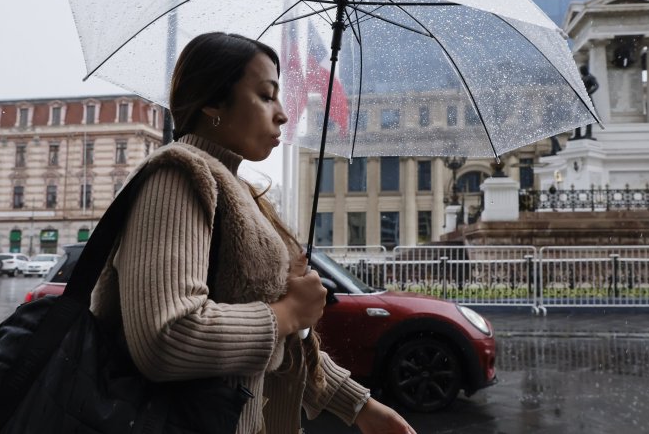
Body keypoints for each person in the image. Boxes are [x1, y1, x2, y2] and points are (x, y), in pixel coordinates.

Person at [90, 32, 415, 434]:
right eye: (266, 95)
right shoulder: (177, 176)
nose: (282, 114)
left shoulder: (237, 191)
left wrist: (359, 406)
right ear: (212, 102)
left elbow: (282, 344)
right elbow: (167, 339)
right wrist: (289, 312)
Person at [573, 64, 600, 139]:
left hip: (587, 99)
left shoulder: (590, 77)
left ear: (585, 70)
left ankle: (588, 134)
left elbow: (596, 86)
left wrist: (588, 92)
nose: (581, 72)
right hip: (580, 100)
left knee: (589, 117)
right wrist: (574, 99)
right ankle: (577, 135)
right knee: (577, 117)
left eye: (582, 70)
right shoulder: (582, 78)